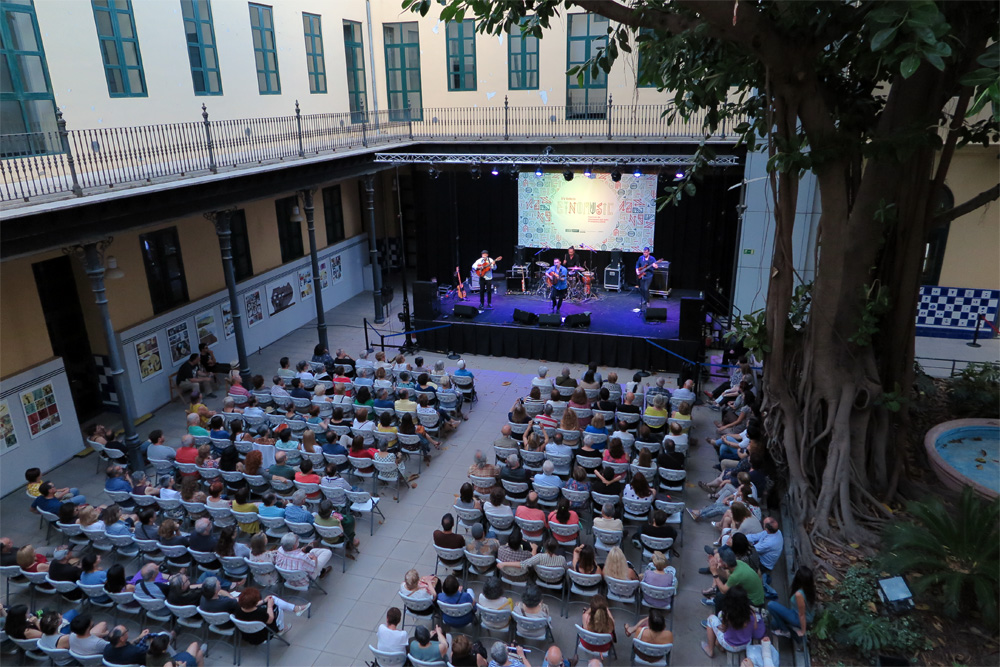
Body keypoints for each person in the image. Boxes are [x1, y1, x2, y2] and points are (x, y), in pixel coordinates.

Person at [702, 586, 766, 658]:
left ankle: (710, 650)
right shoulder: (751, 613)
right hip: (746, 644)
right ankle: (719, 646)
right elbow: (755, 627)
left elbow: (723, 629)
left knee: (711, 618)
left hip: (730, 645)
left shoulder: (725, 614)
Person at [234, 586, 308, 642]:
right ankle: (281, 629)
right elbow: (270, 620)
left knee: (272, 598)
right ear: (255, 602)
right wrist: (269, 606)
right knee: (278, 608)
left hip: (247, 635)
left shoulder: (237, 609)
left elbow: (251, 605)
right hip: (263, 635)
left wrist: (264, 601)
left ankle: (295, 609)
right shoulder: (260, 613)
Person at [767, 566, 815, 638]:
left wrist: (803, 631)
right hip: (796, 613)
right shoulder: (810, 587)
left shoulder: (799, 595)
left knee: (771, 605)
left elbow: (802, 615)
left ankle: (786, 631)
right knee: (774, 623)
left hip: (799, 618)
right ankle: (790, 627)